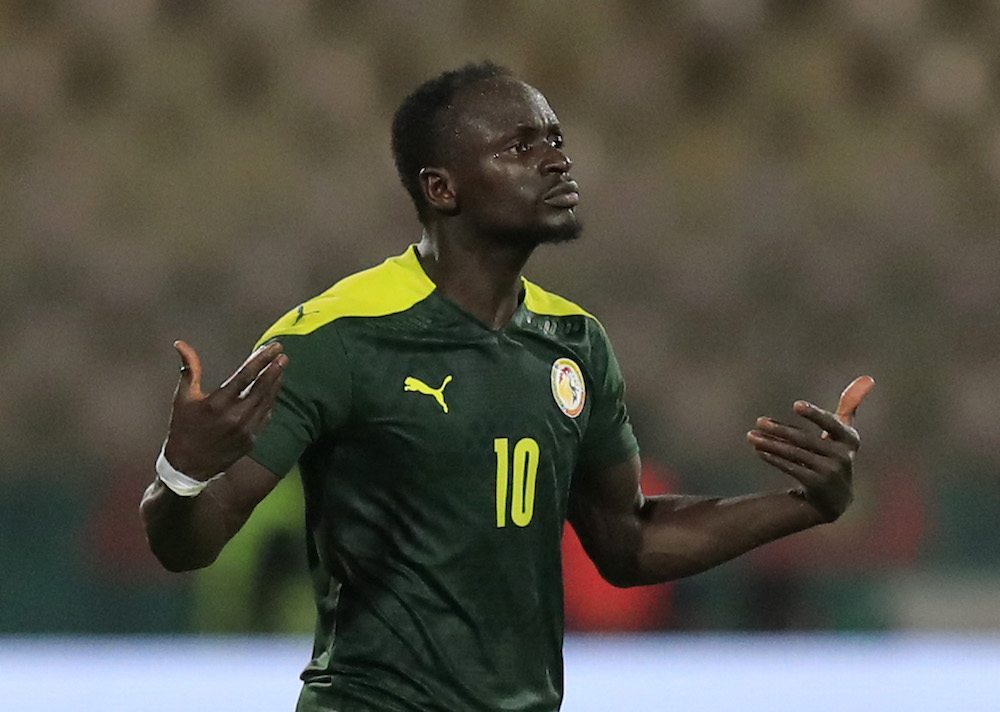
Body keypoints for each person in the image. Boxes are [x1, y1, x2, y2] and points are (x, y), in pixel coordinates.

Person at [140, 62, 874, 712]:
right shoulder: (337, 337)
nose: (556, 159)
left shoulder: (576, 344)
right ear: (442, 188)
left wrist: (806, 506)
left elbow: (627, 544)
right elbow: (191, 542)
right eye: (522, 146)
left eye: (555, 138)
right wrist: (180, 471)